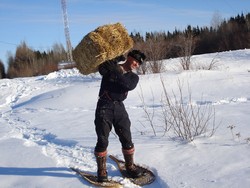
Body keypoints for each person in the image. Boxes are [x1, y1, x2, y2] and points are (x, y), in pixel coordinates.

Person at [94, 49, 146, 182]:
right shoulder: (111, 68)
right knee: (102, 139)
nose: (136, 64)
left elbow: (127, 85)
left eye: (139, 63)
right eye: (135, 60)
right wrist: (115, 59)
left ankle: (130, 166)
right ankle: (101, 170)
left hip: (119, 108)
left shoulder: (133, 77)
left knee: (127, 138)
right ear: (129, 57)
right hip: (104, 106)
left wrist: (115, 71)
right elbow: (102, 69)